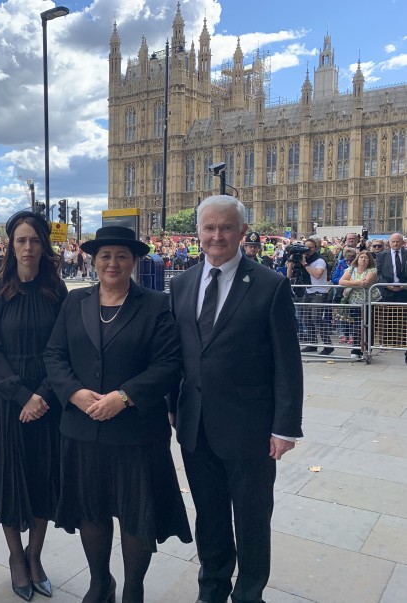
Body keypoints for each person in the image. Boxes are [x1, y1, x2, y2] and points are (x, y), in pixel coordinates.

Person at [45, 226, 192, 603]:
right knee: (91, 512)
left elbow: (168, 363)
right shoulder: (75, 302)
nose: (113, 263)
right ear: (94, 261)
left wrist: (124, 396)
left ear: (134, 261)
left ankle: (133, 589)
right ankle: (100, 582)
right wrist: (74, 393)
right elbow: (54, 355)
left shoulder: (156, 305)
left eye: (121, 256)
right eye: (105, 255)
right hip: (83, 428)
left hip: (136, 431)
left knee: (136, 515)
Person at [168, 195, 303, 603]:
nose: (217, 236)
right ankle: (211, 589)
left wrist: (285, 427)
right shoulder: (182, 283)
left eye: (226, 227)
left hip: (250, 430)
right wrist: (172, 408)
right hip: (196, 427)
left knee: (251, 521)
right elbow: (177, 354)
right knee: (209, 518)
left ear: (243, 232)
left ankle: (249, 594)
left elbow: (287, 362)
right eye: (209, 228)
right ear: (198, 234)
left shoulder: (270, 284)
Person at [0, 210, 67, 601]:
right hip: (6, 399)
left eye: (35, 240)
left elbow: (62, 350)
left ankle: (35, 555)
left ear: (44, 245)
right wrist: (21, 395)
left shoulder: (57, 291)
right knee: (9, 476)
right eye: (21, 241)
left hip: (47, 401)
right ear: (11, 246)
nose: (28, 248)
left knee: (42, 476)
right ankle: (15, 557)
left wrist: (42, 396)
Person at [288, 236, 334, 355]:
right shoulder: (302, 259)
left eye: (310, 248)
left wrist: (305, 264)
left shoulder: (319, 260)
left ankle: (328, 345)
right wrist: (291, 263)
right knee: (305, 318)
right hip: (308, 291)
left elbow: (317, 275)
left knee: (316, 318)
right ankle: (312, 344)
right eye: (306, 247)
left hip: (319, 292)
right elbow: (289, 275)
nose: (308, 250)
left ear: (316, 248)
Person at [338, 250, 379, 360]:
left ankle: (367, 349)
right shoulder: (351, 269)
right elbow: (341, 281)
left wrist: (351, 282)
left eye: (366, 258)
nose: (363, 259)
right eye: (361, 257)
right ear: (358, 259)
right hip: (354, 302)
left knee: (368, 325)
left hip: (368, 302)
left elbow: (367, 282)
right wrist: (358, 283)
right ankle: (356, 349)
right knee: (356, 326)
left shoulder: (372, 270)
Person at [375, 232, 407, 363]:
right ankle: (387, 341)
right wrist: (387, 285)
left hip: (404, 290)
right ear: (389, 242)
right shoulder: (382, 255)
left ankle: (402, 340)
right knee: (387, 315)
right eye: (393, 241)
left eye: (397, 241)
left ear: (402, 242)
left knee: (402, 317)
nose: (395, 244)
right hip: (387, 290)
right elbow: (378, 272)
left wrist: (404, 286)